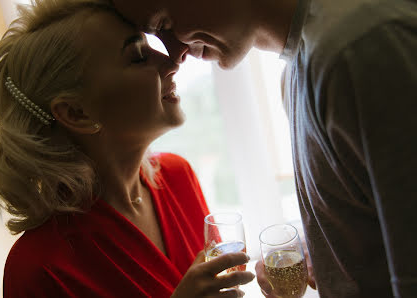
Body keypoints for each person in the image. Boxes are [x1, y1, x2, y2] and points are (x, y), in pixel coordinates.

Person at [112, 0, 417, 297]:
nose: (176, 54)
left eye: (165, 23)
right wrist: (334, 258)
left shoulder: (360, 47)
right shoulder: (301, 69)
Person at [0, 0, 256, 297]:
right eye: (137, 56)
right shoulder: (39, 269)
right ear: (76, 113)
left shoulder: (178, 176)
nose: (172, 62)